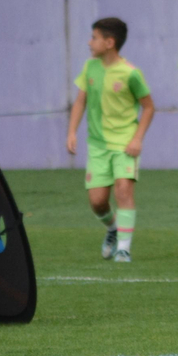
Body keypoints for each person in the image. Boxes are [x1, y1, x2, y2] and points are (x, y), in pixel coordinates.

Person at [65, 17, 153, 263]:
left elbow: (148, 107)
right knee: (97, 201)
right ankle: (113, 229)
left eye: (94, 37)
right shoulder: (90, 67)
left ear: (109, 42)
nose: (89, 42)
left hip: (125, 144)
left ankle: (124, 248)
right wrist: (72, 131)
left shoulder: (131, 73)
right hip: (98, 145)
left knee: (123, 191)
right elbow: (81, 100)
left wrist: (138, 138)